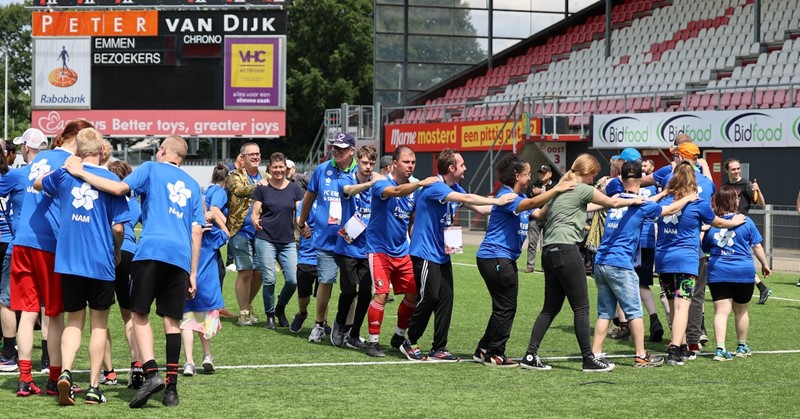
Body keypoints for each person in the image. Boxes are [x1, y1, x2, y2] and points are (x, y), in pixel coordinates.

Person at [65, 135, 204, 408]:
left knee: (139, 313)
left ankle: (151, 372)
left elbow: (118, 189)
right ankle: (171, 390)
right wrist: (193, 273)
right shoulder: (194, 185)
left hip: (151, 249)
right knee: (172, 322)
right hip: (180, 257)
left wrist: (80, 172)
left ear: (162, 151)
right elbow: (196, 230)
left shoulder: (152, 168)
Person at [518, 154, 643, 373]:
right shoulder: (583, 189)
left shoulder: (560, 189)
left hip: (548, 252)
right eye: (593, 175)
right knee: (582, 307)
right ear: (587, 172)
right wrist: (634, 200)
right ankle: (588, 358)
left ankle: (530, 354)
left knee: (550, 308)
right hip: (568, 251)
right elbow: (612, 201)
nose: (593, 179)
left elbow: (542, 214)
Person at [35, 127, 129, 405]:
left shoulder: (64, 176)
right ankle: (93, 387)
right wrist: (116, 252)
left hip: (69, 260)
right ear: (102, 150)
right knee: (98, 324)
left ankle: (65, 372)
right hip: (100, 260)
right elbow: (120, 228)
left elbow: (39, 184)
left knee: (74, 321)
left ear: (77, 150)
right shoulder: (111, 178)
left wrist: (65, 167)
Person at [401, 148, 515, 362]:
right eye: (462, 165)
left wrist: (518, 206)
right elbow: (466, 197)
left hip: (442, 255)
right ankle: (409, 341)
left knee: (446, 299)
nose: (466, 168)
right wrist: (497, 200)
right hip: (425, 254)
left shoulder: (455, 187)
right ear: (451, 168)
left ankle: (439, 348)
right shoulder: (436, 186)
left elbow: (482, 210)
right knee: (430, 297)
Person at [590, 161, 697, 369]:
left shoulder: (616, 198)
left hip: (600, 262)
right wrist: (686, 199)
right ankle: (641, 356)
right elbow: (667, 210)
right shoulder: (642, 204)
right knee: (635, 312)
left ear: (621, 179)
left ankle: (595, 353)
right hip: (620, 264)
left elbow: (647, 203)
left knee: (605, 312)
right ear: (641, 179)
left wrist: (663, 192)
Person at [474, 154, 575, 367]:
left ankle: (484, 348)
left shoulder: (518, 198)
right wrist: (555, 190)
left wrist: (559, 188)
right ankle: (495, 353)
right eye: (528, 174)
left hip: (498, 258)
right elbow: (531, 203)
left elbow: (539, 212)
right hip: (497, 257)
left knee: (502, 306)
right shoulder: (508, 197)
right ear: (517, 175)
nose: (530, 178)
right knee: (506, 307)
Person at [11, 121, 88, 397]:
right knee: (54, 314)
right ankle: (55, 378)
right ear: (77, 139)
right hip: (49, 244)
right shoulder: (71, 161)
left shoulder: (40, 157)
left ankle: (24, 378)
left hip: (23, 241)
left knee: (28, 312)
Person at [655, 162, 745, 366]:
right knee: (682, 305)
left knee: (671, 304)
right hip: (686, 260)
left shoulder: (664, 202)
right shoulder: (697, 203)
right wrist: (735, 222)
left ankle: (683, 344)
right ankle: (676, 350)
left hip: (663, 260)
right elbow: (718, 222)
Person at [362, 146, 438, 357]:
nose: (410, 166)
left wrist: (418, 246)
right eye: (406, 162)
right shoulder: (382, 183)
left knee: (413, 295)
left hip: (401, 252)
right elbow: (395, 192)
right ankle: (373, 343)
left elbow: (412, 223)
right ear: (394, 164)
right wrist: (420, 183)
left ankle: (398, 335)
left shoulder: (414, 192)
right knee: (381, 294)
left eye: (413, 162)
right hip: (378, 250)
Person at [297, 133, 361, 343]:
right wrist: (302, 221)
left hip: (352, 240)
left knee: (350, 287)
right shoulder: (322, 169)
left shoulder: (361, 173)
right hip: (326, 238)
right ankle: (319, 323)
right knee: (325, 281)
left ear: (352, 150)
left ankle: (347, 327)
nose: (337, 151)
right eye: (335, 147)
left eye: (342, 148)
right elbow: (309, 198)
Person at [701, 186, 771, 361]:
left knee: (721, 312)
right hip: (743, 272)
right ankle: (741, 346)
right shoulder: (746, 221)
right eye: (737, 198)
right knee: (741, 311)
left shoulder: (713, 223)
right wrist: (764, 264)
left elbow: (705, 247)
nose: (739, 200)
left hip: (718, 272)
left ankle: (719, 349)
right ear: (732, 201)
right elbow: (757, 246)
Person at [330, 145, 382, 349]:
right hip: (348, 247)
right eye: (364, 162)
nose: (368, 167)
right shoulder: (347, 179)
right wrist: (371, 184)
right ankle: (340, 324)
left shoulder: (378, 183)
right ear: (357, 161)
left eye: (371, 163)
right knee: (350, 291)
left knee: (367, 292)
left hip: (369, 248)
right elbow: (349, 191)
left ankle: (355, 333)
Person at [99, 160, 143, 390]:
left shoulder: (103, 197)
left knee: (100, 318)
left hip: (106, 253)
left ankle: (109, 373)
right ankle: (136, 363)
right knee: (130, 315)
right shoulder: (133, 204)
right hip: (130, 255)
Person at [251, 152, 305, 329]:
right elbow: (255, 211)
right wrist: (254, 219)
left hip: (287, 241)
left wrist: (304, 224)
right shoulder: (262, 188)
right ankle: (270, 315)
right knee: (269, 279)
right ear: (269, 169)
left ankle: (280, 307)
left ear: (287, 168)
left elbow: (300, 211)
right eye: (275, 167)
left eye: (281, 167)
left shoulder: (294, 188)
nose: (278, 170)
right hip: (265, 238)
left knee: (293, 280)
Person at [181, 207, 228, 377]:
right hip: (208, 288)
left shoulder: (185, 234)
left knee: (187, 324)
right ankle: (207, 355)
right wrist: (216, 217)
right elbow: (227, 234)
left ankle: (188, 362)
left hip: (187, 284)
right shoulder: (212, 235)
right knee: (204, 324)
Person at [227, 143, 268, 326]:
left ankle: (247, 305)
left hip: (262, 231)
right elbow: (239, 190)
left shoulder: (266, 176)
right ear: (242, 158)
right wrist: (260, 186)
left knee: (259, 272)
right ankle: (243, 312)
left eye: (257, 154)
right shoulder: (234, 176)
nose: (255, 157)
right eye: (251, 154)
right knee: (245, 271)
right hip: (240, 229)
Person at [723, 158, 771, 304]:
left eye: (738, 168)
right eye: (733, 169)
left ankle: (759, 287)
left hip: (741, 225)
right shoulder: (725, 186)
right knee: (733, 257)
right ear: (727, 171)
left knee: (736, 257)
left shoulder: (747, 184)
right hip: (727, 224)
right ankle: (761, 287)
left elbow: (762, 205)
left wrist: (758, 190)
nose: (737, 171)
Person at [524, 164, 554, 273]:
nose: (542, 175)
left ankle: (545, 266)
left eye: (544, 173)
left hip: (548, 218)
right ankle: (530, 265)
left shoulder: (554, 186)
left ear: (550, 174)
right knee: (532, 242)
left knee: (546, 244)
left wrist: (545, 194)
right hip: (535, 217)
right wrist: (533, 193)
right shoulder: (533, 185)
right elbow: (527, 198)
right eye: (540, 173)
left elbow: (557, 199)